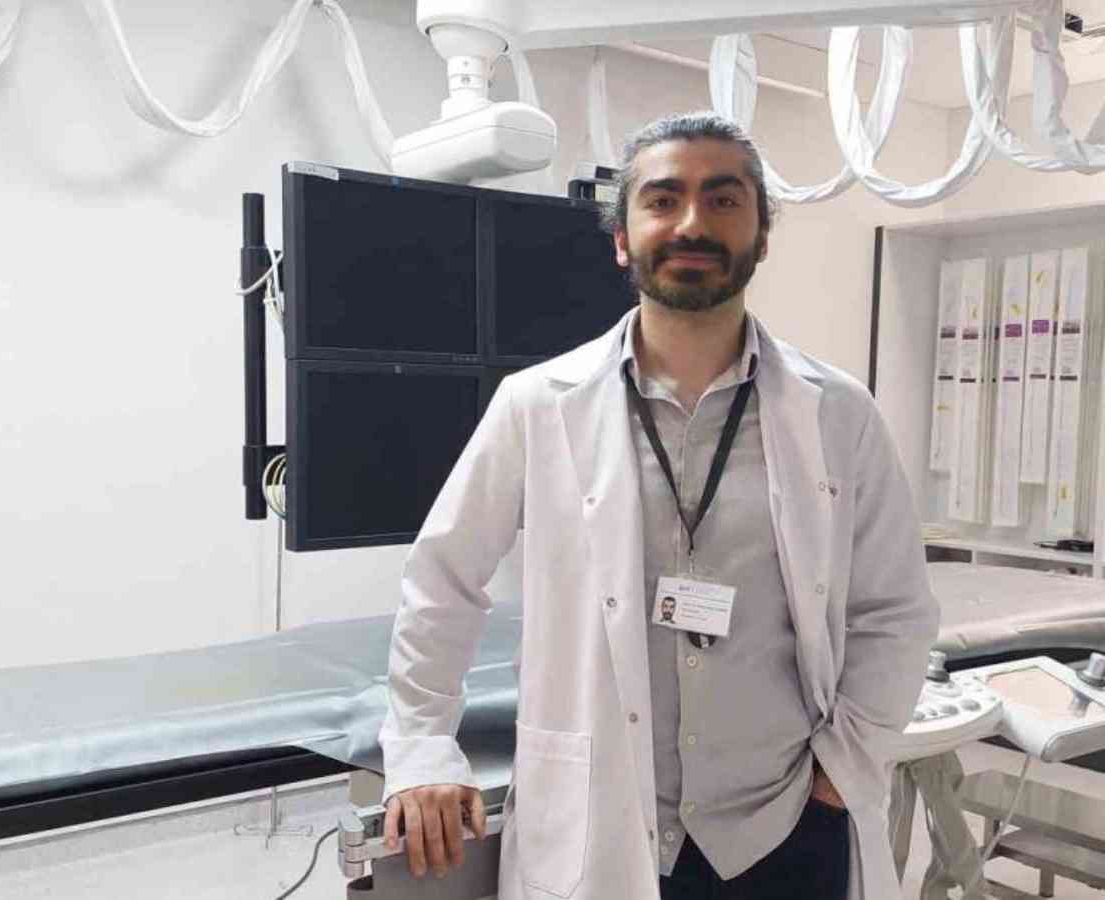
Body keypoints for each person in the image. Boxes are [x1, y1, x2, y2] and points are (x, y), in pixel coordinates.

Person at [378, 110, 938, 900]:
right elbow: (443, 578)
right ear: (622, 237)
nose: (692, 223)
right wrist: (421, 747)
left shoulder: (838, 412)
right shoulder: (538, 404)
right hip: (602, 825)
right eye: (664, 199)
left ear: (761, 236)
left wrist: (839, 775)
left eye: (724, 199)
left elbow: (896, 609)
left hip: (788, 829)